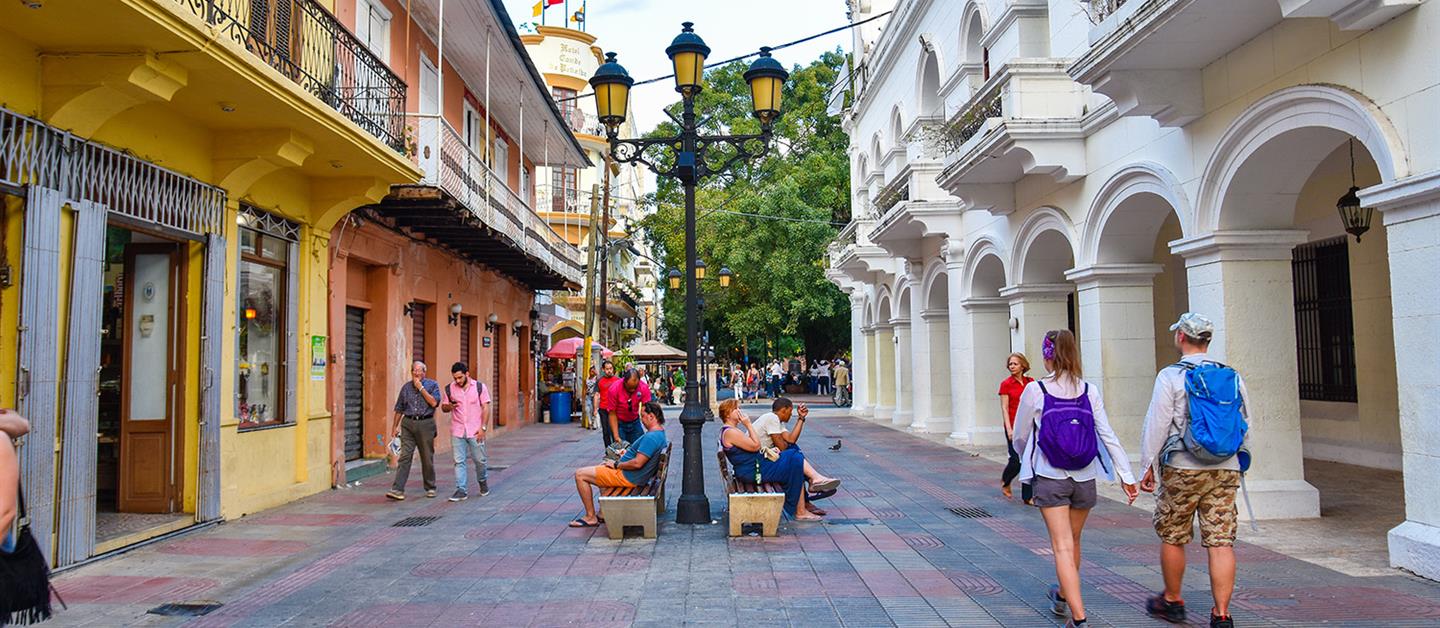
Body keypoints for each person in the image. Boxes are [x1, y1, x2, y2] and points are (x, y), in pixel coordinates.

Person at [1012, 330, 1138, 628]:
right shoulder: (1088, 390)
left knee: (1062, 546)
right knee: (1073, 539)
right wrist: (1126, 475)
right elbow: (1106, 433)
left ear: (1047, 356)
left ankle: (1079, 619)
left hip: (1051, 475)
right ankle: (1065, 595)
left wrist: (1023, 456)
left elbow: (1020, 435)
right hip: (1085, 477)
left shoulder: (1036, 390)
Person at [1139, 313, 1250, 628]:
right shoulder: (1231, 375)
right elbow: (1246, 422)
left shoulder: (1171, 376)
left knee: (1173, 535)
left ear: (1182, 338)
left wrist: (1147, 465)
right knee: (1221, 540)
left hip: (1182, 466)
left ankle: (1172, 600)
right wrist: (1238, 458)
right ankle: (1222, 614)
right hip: (1225, 467)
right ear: (1208, 340)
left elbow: (1157, 424)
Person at [569, 401, 669, 527]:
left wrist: (616, 464)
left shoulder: (651, 437)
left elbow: (638, 463)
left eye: (642, 416)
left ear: (651, 416)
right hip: (632, 475)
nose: (641, 420)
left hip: (628, 476)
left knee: (580, 474)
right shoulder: (659, 434)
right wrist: (625, 455)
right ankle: (603, 513)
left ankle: (590, 517)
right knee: (602, 467)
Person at [717, 399, 819, 521]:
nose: (740, 411)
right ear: (728, 414)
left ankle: (809, 492)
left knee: (794, 455)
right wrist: (748, 424)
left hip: (751, 467)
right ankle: (802, 508)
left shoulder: (731, 430)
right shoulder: (731, 432)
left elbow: (756, 447)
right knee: (794, 458)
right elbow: (756, 446)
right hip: (752, 472)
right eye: (736, 409)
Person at [750, 397, 841, 514]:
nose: (791, 414)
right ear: (784, 410)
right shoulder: (771, 418)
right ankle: (812, 484)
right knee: (794, 455)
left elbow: (791, 439)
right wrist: (785, 446)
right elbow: (783, 447)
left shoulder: (776, 421)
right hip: (758, 463)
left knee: (793, 450)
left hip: (763, 459)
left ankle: (812, 483)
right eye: (790, 411)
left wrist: (801, 418)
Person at [387, 361, 442, 500]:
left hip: (426, 423)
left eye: (419, 371)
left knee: (426, 457)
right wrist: (395, 427)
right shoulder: (406, 388)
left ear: (424, 372)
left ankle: (430, 487)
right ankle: (397, 489)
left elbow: (434, 403)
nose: (416, 373)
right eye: (414, 371)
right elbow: (399, 408)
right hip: (408, 423)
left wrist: (421, 388)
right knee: (405, 456)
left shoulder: (432, 385)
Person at [441, 362, 489, 502]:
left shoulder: (480, 387)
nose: (457, 381)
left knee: (480, 460)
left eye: (460, 377)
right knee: (458, 461)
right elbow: (444, 407)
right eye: (455, 378)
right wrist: (449, 406)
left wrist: (483, 428)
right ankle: (461, 489)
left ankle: (482, 481)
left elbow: (486, 408)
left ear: (467, 374)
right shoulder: (449, 389)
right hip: (457, 430)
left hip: (475, 431)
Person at [999, 352, 1036, 503]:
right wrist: (1009, 428)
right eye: (1010, 364)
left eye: (1015, 363)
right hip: (1013, 426)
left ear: (1023, 365)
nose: (1012, 366)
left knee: (1029, 460)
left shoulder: (1031, 382)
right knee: (1016, 460)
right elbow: (1004, 408)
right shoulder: (1006, 384)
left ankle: (1028, 496)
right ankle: (1006, 480)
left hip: (1029, 426)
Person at [603, 368, 653, 445]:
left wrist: (650, 429)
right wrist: (616, 436)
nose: (632, 390)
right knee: (622, 451)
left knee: (640, 446)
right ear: (624, 381)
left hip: (634, 421)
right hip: (619, 422)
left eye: (635, 388)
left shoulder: (643, 387)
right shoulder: (614, 389)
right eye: (629, 388)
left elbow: (646, 409)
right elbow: (612, 413)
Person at [594, 361, 621, 447]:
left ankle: (617, 449)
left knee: (615, 431)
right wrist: (595, 409)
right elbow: (596, 395)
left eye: (611, 368)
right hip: (603, 409)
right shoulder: (599, 381)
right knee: (606, 431)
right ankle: (608, 451)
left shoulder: (618, 380)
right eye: (607, 369)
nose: (609, 371)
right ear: (603, 369)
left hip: (615, 409)